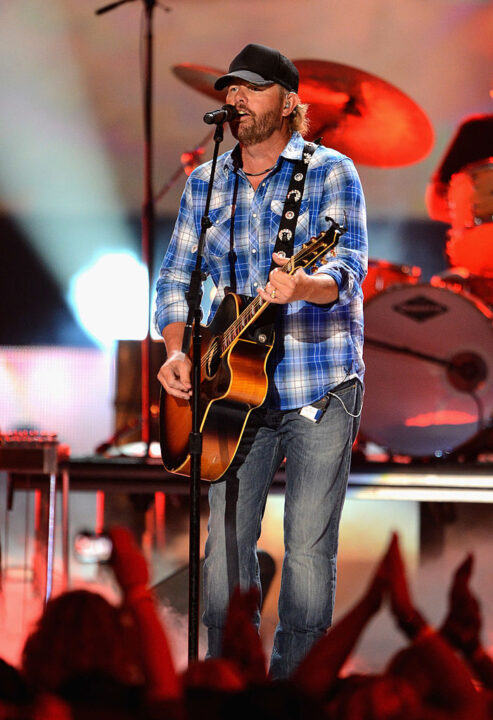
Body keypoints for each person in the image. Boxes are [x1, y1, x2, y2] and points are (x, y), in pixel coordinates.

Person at [155, 42, 367, 679]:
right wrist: (174, 352)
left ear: (289, 102)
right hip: (230, 393)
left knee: (304, 552)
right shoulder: (206, 181)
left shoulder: (330, 171)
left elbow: (348, 270)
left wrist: (302, 286)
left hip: (317, 383)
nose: (235, 98)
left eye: (250, 87)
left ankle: (294, 695)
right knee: (223, 553)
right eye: (230, 88)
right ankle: (228, 685)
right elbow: (173, 283)